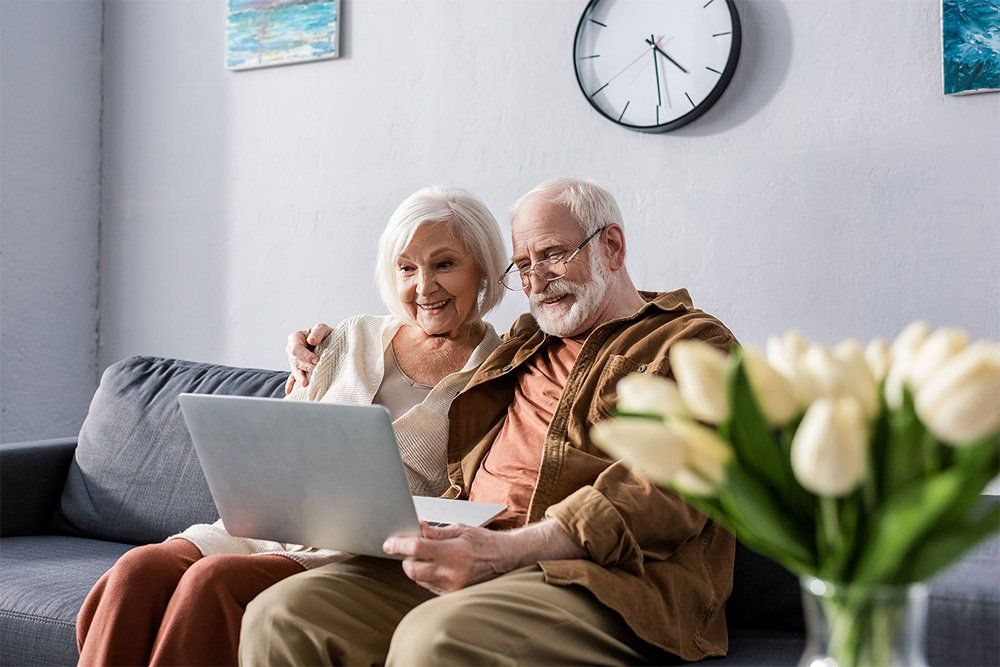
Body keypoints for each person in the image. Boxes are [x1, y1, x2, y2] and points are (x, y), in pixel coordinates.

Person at [245, 178, 738, 665]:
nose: (537, 280)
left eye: (551, 254)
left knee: (435, 637)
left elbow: (666, 490)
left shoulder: (691, 344)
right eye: (523, 265)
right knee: (282, 614)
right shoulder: (523, 344)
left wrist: (506, 550)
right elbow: (426, 333)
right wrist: (324, 346)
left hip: (600, 578)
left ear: (611, 245)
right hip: (471, 546)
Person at [74, 186, 508, 667]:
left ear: (483, 267)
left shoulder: (503, 370)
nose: (423, 287)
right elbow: (288, 427)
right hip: (272, 526)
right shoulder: (350, 336)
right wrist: (300, 372)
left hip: (358, 554)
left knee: (210, 583)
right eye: (407, 268)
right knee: (138, 569)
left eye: (444, 264)